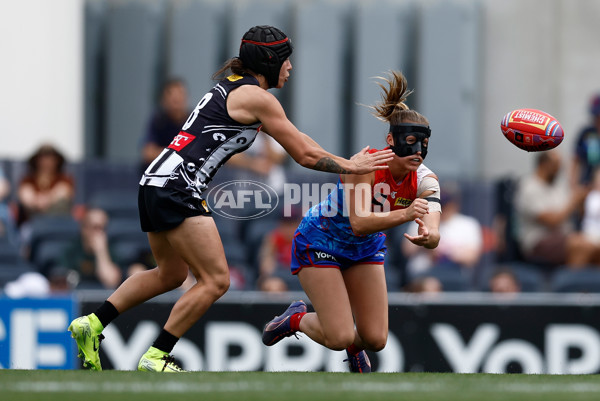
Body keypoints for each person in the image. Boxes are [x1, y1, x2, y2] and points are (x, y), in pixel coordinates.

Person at [68, 25, 394, 373]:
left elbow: (298, 141)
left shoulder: (234, 89)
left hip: (154, 181)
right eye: (286, 61)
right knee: (217, 280)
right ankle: (157, 356)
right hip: (179, 187)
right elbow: (303, 153)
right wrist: (351, 164)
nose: (290, 68)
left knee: (170, 274)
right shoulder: (258, 98)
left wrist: (342, 161)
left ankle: (93, 323)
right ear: (269, 61)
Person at [261, 70, 441, 373]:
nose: (419, 151)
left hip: (364, 249)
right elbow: (359, 222)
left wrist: (432, 235)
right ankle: (295, 318)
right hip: (321, 240)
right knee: (339, 335)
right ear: (391, 140)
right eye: (411, 141)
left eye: (424, 144)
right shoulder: (364, 164)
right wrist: (407, 215)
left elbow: (433, 215)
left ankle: (355, 348)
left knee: (375, 338)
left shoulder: (424, 177)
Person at [514, 150, 600, 268]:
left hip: (565, 237)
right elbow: (552, 221)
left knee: (596, 249)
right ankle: (571, 283)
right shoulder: (529, 188)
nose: (559, 169)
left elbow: (577, 212)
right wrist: (574, 200)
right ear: (544, 165)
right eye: (556, 165)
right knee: (581, 246)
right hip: (538, 241)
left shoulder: (558, 186)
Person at [402, 181, 483, 276]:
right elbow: (406, 251)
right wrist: (425, 243)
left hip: (454, 273)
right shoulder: (420, 220)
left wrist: (446, 254)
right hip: (423, 273)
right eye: (439, 204)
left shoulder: (468, 224)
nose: (442, 208)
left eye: (445, 205)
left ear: (454, 204)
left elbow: (472, 257)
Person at [60, 207, 122, 289]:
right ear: (84, 229)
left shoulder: (111, 251)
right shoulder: (71, 251)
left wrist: (101, 252)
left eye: (103, 228)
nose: (99, 233)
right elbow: (61, 284)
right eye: (95, 227)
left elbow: (111, 282)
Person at [17, 144, 75, 228]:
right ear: (36, 160)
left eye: (51, 158)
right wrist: (38, 202)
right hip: (32, 225)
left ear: (57, 160)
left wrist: (46, 200)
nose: (46, 161)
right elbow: (26, 197)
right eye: (43, 157)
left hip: (59, 224)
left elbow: (63, 192)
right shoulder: (28, 180)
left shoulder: (64, 179)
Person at [139, 78, 191, 172]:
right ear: (164, 100)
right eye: (172, 98)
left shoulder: (194, 121)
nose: (176, 101)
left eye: (180, 96)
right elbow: (148, 153)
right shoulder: (158, 121)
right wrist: (180, 154)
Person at [256, 207, 303, 292]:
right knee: (272, 285)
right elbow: (266, 267)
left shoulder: (303, 239)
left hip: (300, 276)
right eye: (285, 224)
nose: (288, 228)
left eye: (291, 224)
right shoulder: (273, 238)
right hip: (281, 276)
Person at [571, 93, 600, 187]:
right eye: (597, 116)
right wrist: (573, 185)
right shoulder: (586, 133)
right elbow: (575, 160)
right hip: (585, 186)